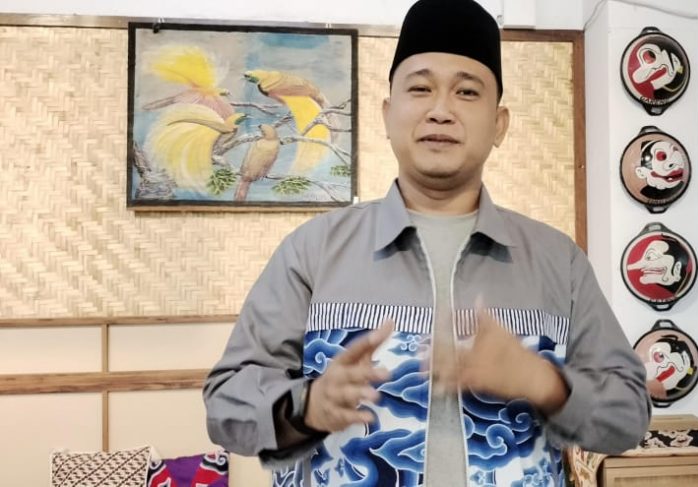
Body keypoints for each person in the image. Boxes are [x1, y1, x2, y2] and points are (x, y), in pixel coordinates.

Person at [202, 0, 651, 485]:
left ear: (499, 124)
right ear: (387, 114)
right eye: (420, 88)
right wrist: (307, 406)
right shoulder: (312, 251)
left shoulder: (558, 261)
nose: (441, 110)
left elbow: (629, 416)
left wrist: (545, 383)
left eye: (467, 91)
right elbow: (226, 406)